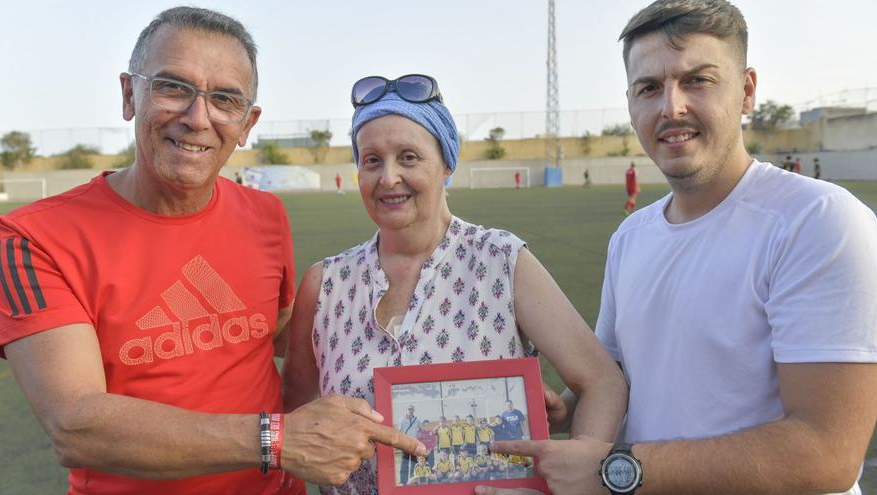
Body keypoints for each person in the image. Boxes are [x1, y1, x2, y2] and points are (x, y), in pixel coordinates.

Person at [0, 7, 424, 495]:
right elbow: (76, 423)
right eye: (173, 87)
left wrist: (475, 375)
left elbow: (280, 331)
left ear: (246, 123)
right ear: (128, 94)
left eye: (225, 99)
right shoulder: (32, 237)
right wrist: (277, 439)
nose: (198, 118)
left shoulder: (265, 215)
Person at [485, 1, 877, 495]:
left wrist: (617, 469)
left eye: (698, 80)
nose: (671, 107)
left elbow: (826, 453)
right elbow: (618, 374)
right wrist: (565, 409)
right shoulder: (632, 237)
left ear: (747, 91)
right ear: (630, 104)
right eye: (649, 87)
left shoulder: (817, 222)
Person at [282, 74, 628, 494]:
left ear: (446, 163)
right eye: (372, 160)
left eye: (408, 157)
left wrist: (582, 468)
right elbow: (296, 414)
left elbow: (602, 382)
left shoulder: (500, 260)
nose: (388, 177)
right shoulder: (326, 285)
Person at [397, 405, 421, 485]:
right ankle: (403, 481)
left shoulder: (417, 419)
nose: (410, 411)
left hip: (414, 444)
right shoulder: (402, 419)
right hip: (405, 443)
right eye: (409, 409)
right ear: (407, 410)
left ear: (413, 410)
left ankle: (413, 480)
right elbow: (399, 431)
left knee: (414, 462)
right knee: (405, 462)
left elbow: (420, 429)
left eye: (412, 409)